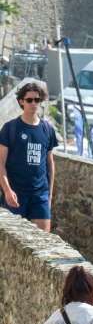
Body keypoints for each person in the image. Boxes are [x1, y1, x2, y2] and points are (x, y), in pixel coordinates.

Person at [0, 79, 59, 231]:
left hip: (40, 195)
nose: (34, 103)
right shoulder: (10, 128)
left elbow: (50, 163)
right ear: (21, 102)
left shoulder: (47, 129)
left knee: (43, 242)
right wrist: (7, 190)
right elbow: (1, 162)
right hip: (15, 193)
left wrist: (49, 195)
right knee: (12, 242)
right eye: (29, 100)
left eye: (37, 100)